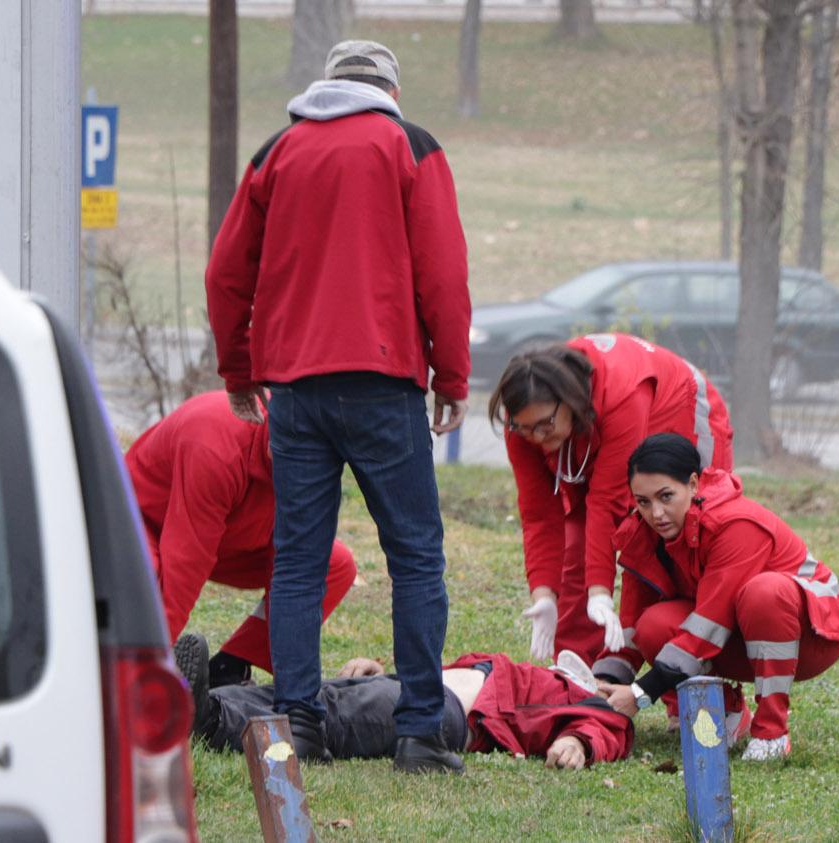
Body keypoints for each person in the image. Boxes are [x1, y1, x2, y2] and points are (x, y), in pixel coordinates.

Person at [205, 39, 471, 772]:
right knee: (415, 555)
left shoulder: (276, 152)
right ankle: (419, 730)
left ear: (326, 85)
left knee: (296, 560)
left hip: (293, 387)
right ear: (389, 88)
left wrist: (238, 368)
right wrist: (450, 375)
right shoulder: (409, 146)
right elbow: (443, 271)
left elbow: (226, 272)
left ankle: (301, 726)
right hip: (384, 382)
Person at [485, 333, 733, 669]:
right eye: (526, 429)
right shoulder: (525, 422)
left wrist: (600, 592)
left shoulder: (621, 396)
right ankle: (575, 674)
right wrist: (543, 594)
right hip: (592, 429)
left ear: (570, 402)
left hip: (679, 412)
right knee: (577, 543)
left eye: (545, 425)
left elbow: (606, 503)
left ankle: (693, 690)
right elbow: (540, 515)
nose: (538, 439)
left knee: (679, 538)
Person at [599, 434, 839, 761]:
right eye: (643, 501)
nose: (656, 513)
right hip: (735, 633)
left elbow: (709, 626)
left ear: (693, 484)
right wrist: (602, 683)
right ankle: (727, 714)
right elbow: (632, 625)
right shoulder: (643, 532)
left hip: (813, 637)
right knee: (653, 625)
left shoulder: (735, 523)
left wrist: (640, 695)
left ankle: (772, 732)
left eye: (666, 496)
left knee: (764, 594)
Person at [125, 391, 356, 687]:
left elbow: (297, 558)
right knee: (152, 578)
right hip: (146, 525)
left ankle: (229, 667)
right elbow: (184, 562)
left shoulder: (313, 459)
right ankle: (131, 671)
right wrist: (148, 671)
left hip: (230, 538)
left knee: (333, 565)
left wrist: (294, 682)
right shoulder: (214, 443)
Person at [178, 634, 633, 770]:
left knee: (334, 718)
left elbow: (608, 730)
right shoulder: (529, 671)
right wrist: (383, 670)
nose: (603, 687)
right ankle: (187, 699)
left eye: (608, 684)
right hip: (413, 687)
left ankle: (211, 720)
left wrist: (580, 743)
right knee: (301, 693)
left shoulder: (585, 705)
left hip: (443, 715)